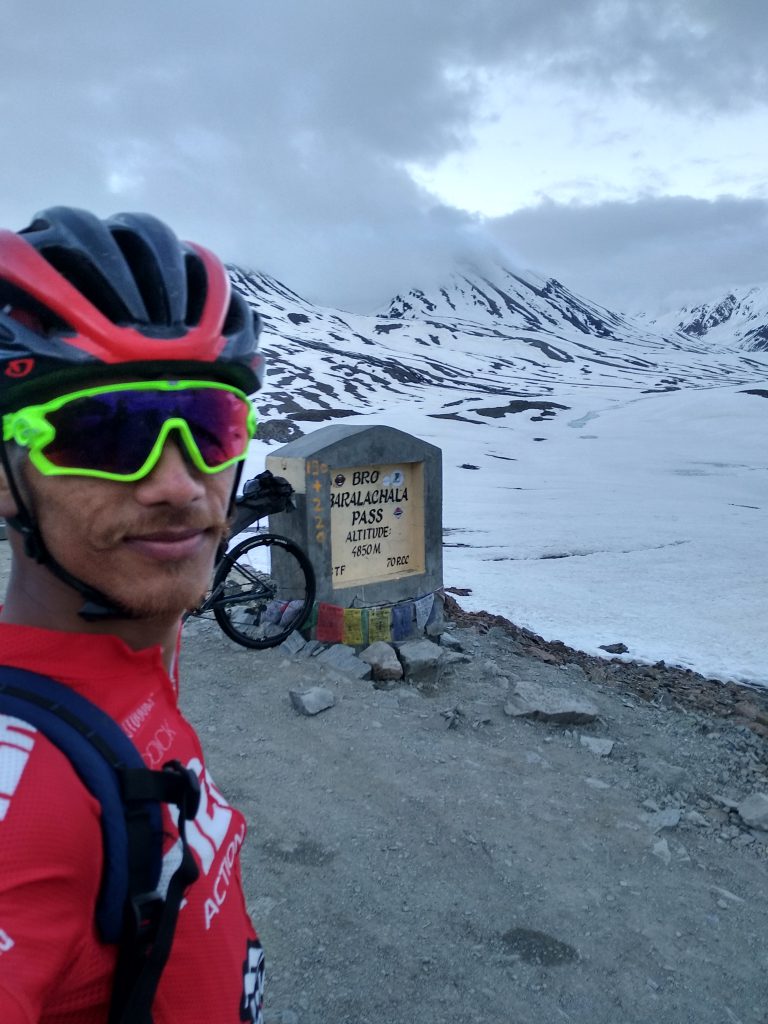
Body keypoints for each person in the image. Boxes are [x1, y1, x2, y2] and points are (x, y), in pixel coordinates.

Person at [0, 207, 266, 1022]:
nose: (179, 485)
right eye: (106, 434)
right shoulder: (19, 809)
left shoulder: (134, 650)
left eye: (213, 427)